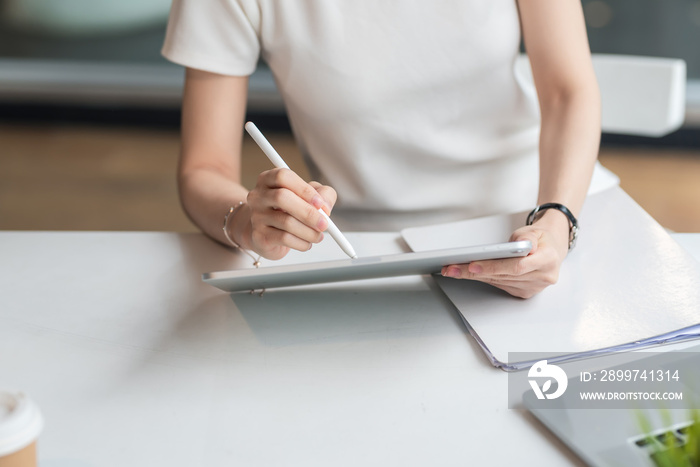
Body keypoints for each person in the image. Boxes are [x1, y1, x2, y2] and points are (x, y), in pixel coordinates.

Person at [162, 1, 603, 299]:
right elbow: (204, 168)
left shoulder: (554, 220)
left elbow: (568, 93)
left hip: (541, 216)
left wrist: (556, 220)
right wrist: (248, 223)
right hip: (364, 256)